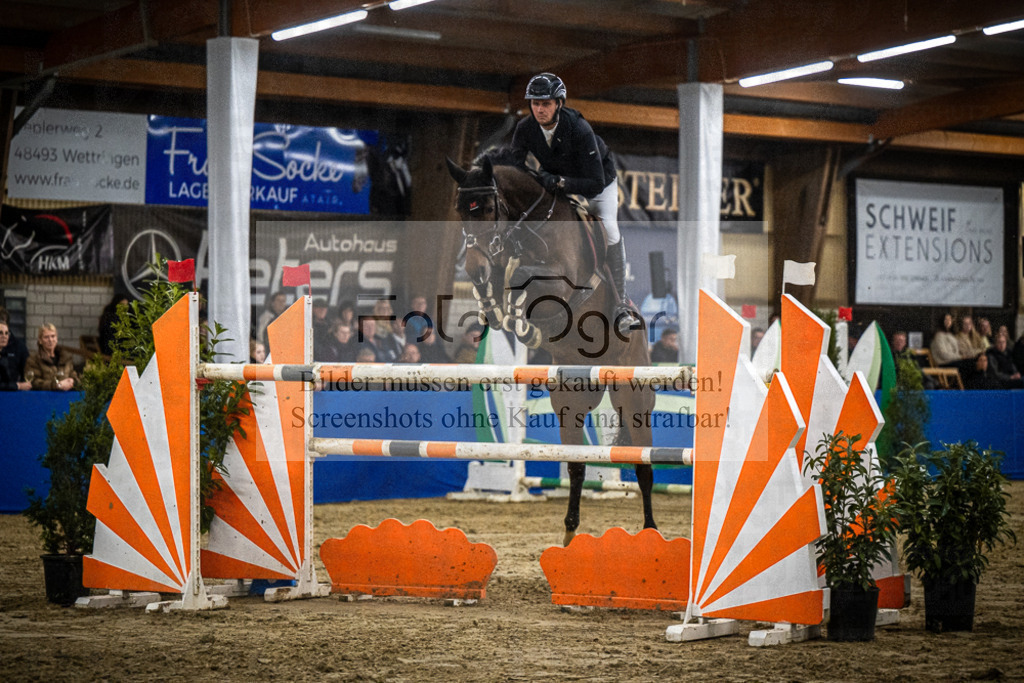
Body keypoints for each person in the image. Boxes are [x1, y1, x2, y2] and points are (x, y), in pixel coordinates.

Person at [511, 72, 636, 330]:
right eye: (535, 103)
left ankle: (620, 306)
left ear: (559, 103)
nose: (539, 109)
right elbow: (515, 167)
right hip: (557, 182)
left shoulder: (578, 128)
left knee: (610, 230)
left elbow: (594, 183)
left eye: (545, 103)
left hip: (596, 183)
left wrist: (559, 182)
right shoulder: (525, 128)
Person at [25, 323, 79, 391]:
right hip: (45, 398)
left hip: (66, 397)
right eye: (46, 337)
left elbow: (74, 376)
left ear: (56, 339)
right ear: (40, 340)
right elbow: (34, 382)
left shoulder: (66, 358)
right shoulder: (33, 359)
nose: (50, 340)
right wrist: (56, 385)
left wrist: (73, 381)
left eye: (53, 336)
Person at [0, 321, 31, 391]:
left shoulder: (5, 355)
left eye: (6, 333)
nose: (4, 336)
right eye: (0, 333)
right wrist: (17, 386)